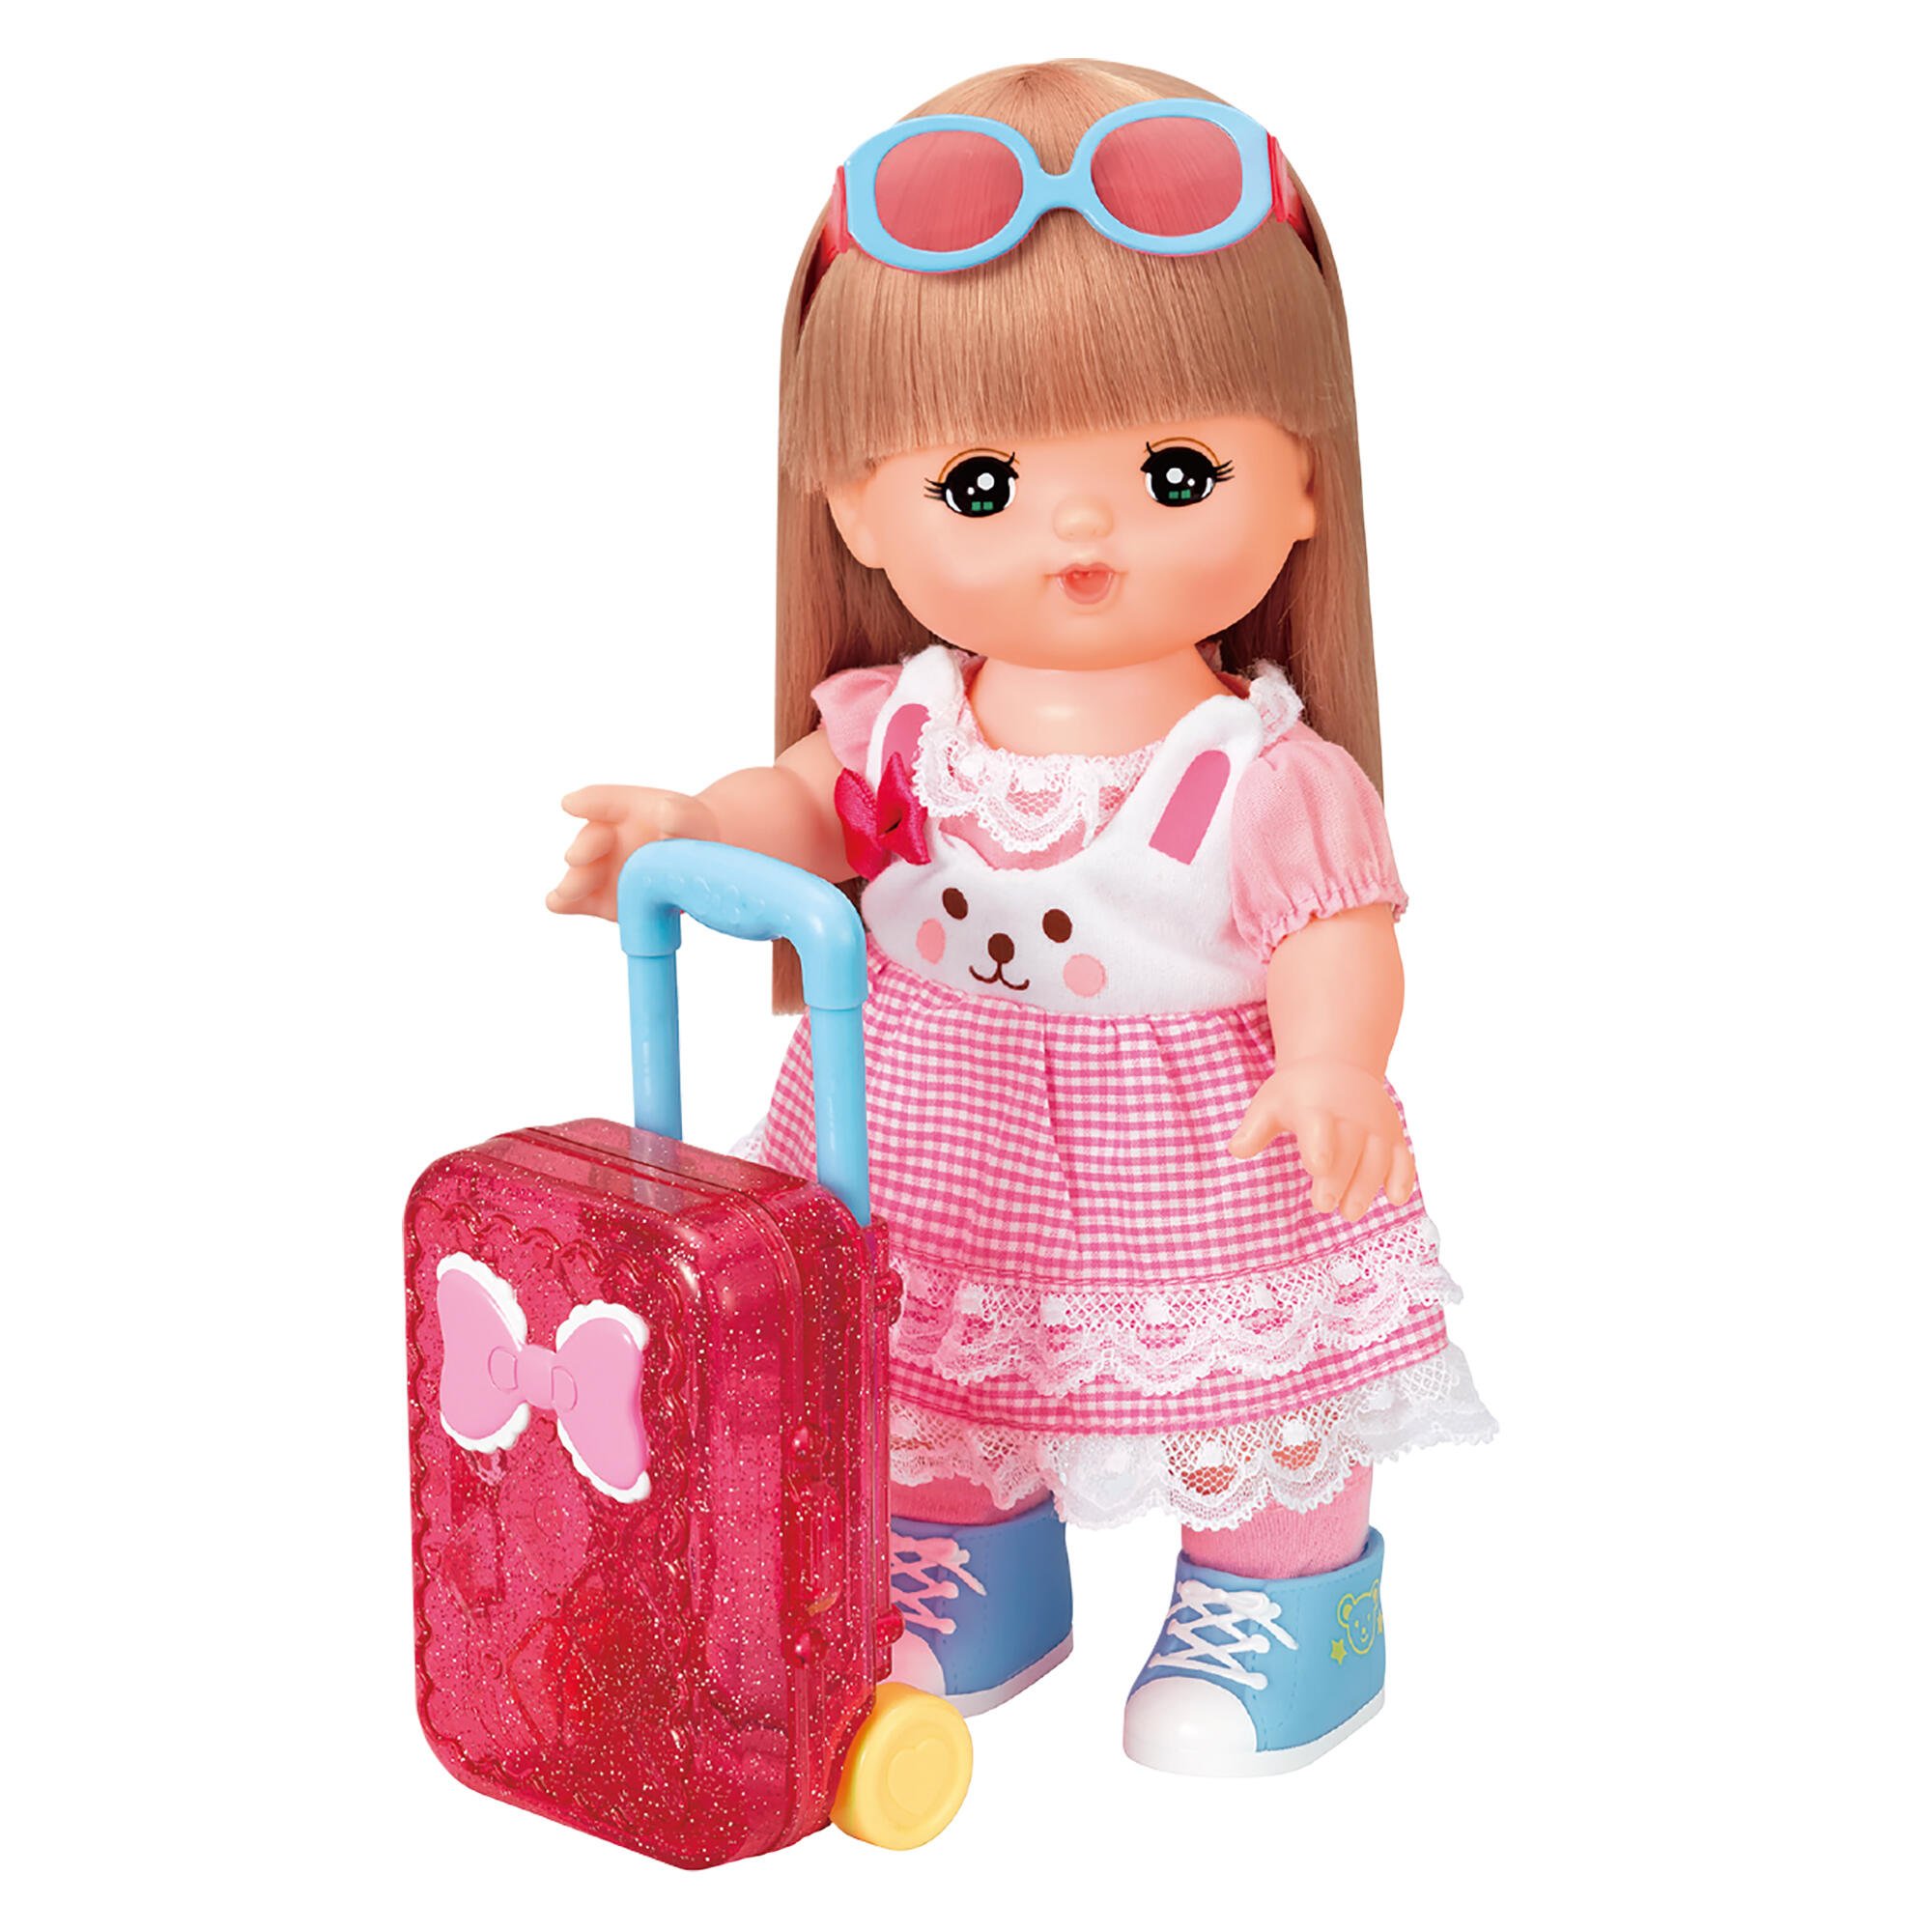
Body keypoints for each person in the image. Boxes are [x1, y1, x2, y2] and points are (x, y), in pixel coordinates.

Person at [550, 58, 1493, 1776]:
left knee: (1245, 1394)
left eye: (1177, 469)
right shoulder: (905, 725)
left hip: (1195, 1142)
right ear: (856, 503)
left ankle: (1287, 1592)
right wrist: (694, 833)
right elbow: (804, 808)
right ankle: (973, 1567)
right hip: (932, 1120)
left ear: (1305, 485)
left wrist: (1335, 1060)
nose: (1078, 524)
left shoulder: (1256, 770)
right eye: (978, 483)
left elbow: (1335, 927)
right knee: (921, 1362)